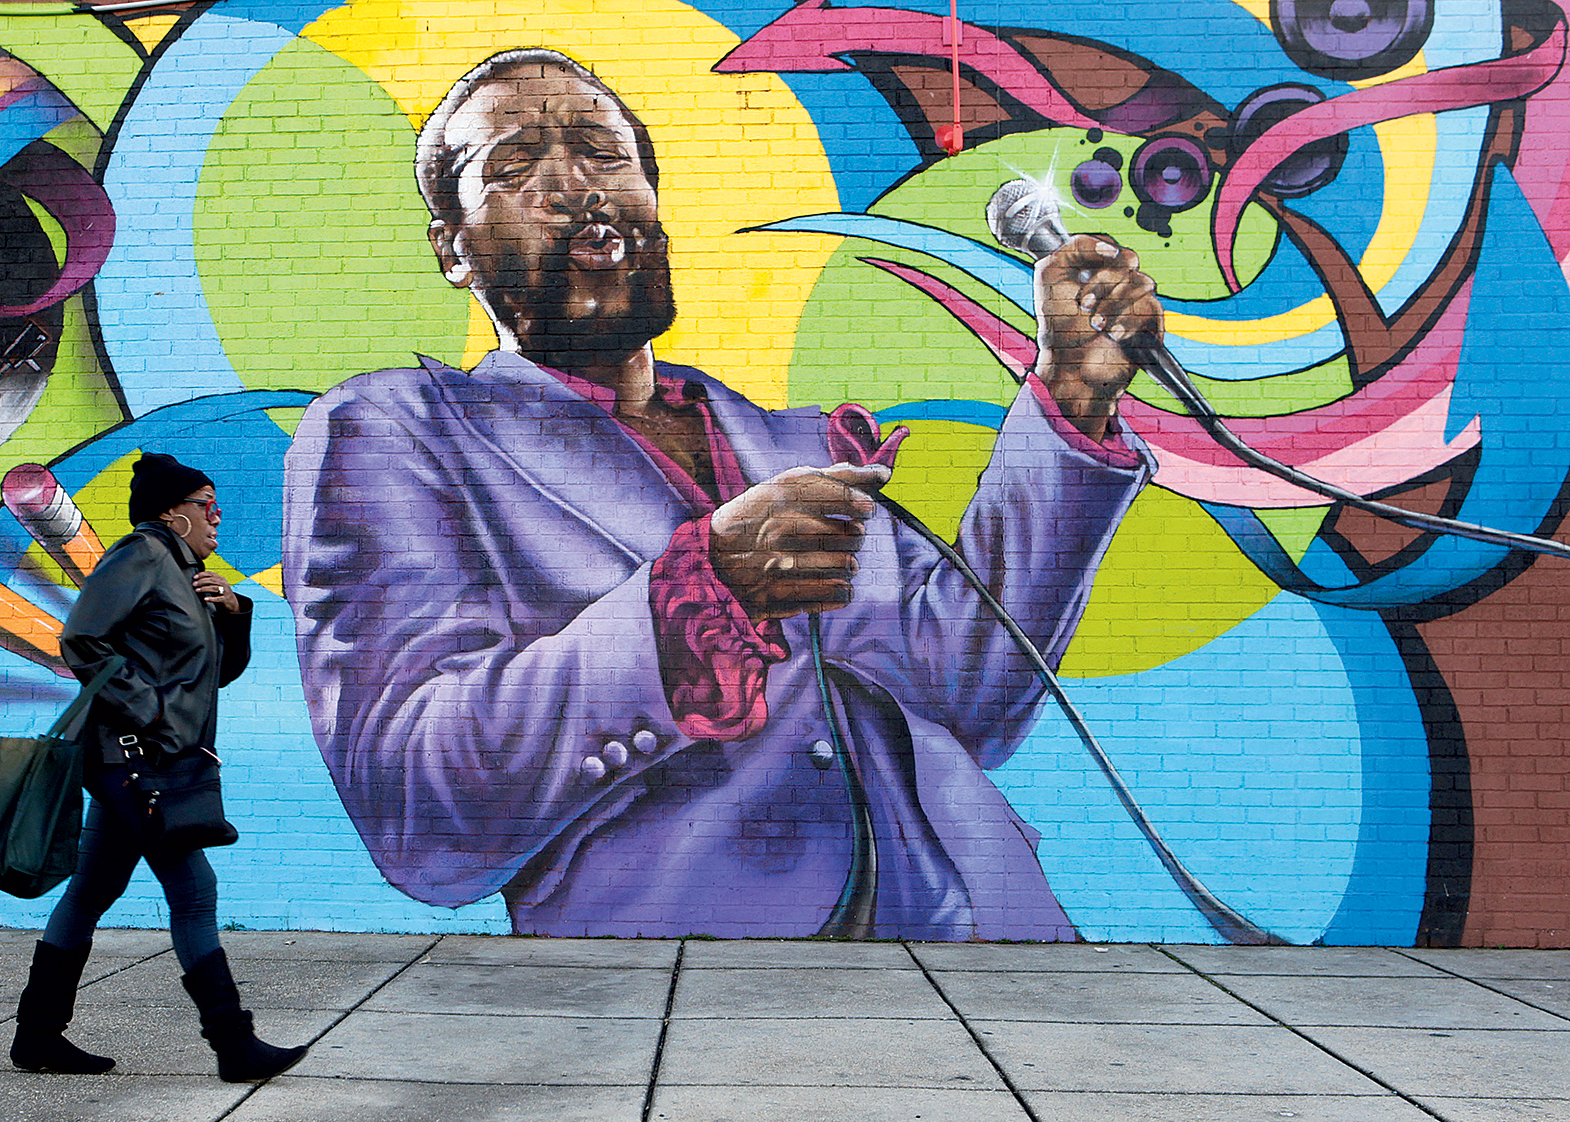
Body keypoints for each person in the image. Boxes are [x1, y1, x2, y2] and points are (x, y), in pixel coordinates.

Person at [282, 49, 1162, 940]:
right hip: (686, 981)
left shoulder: (795, 443)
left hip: (969, 928)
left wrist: (1072, 400)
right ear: (452, 250)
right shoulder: (400, 431)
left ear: (651, 200)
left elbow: (965, 700)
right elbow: (416, 809)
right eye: (512, 168)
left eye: (601, 151)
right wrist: (696, 595)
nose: (571, 184)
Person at [9, 452, 306, 1081]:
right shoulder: (141, 555)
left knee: (92, 890)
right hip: (134, 762)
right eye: (206, 503)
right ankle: (234, 1045)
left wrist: (233, 613)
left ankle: (36, 1036)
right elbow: (81, 641)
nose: (216, 516)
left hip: (149, 762)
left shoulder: (184, 575)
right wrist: (153, 713)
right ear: (172, 514)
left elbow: (212, 677)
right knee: (193, 889)